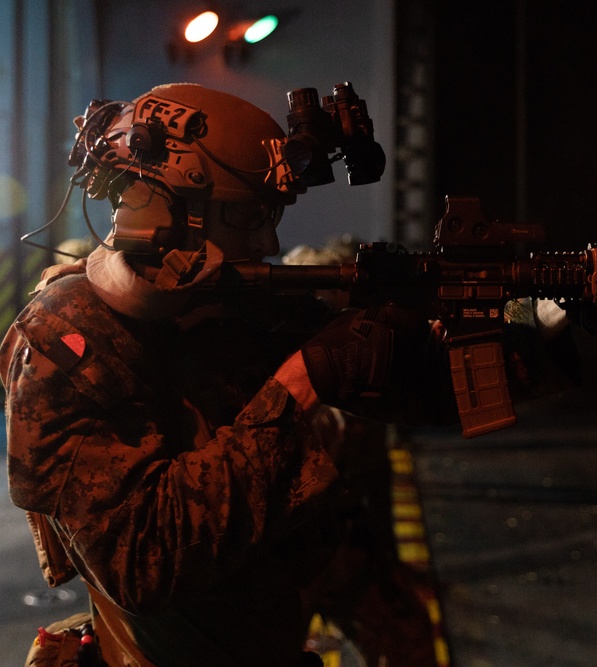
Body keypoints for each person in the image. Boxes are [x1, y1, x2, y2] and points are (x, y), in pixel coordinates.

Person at [2, 83, 443, 667]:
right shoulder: (66, 339)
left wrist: (530, 320)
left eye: (271, 215)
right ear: (165, 207)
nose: (269, 242)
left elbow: (426, 394)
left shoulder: (231, 308)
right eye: (246, 215)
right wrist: (299, 384)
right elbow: (143, 560)